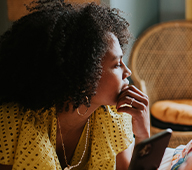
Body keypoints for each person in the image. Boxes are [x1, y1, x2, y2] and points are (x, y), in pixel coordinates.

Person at [0, 0, 150, 169]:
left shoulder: (114, 117)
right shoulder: (12, 121)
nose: (127, 72)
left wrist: (143, 135)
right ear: (83, 73)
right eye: (116, 64)